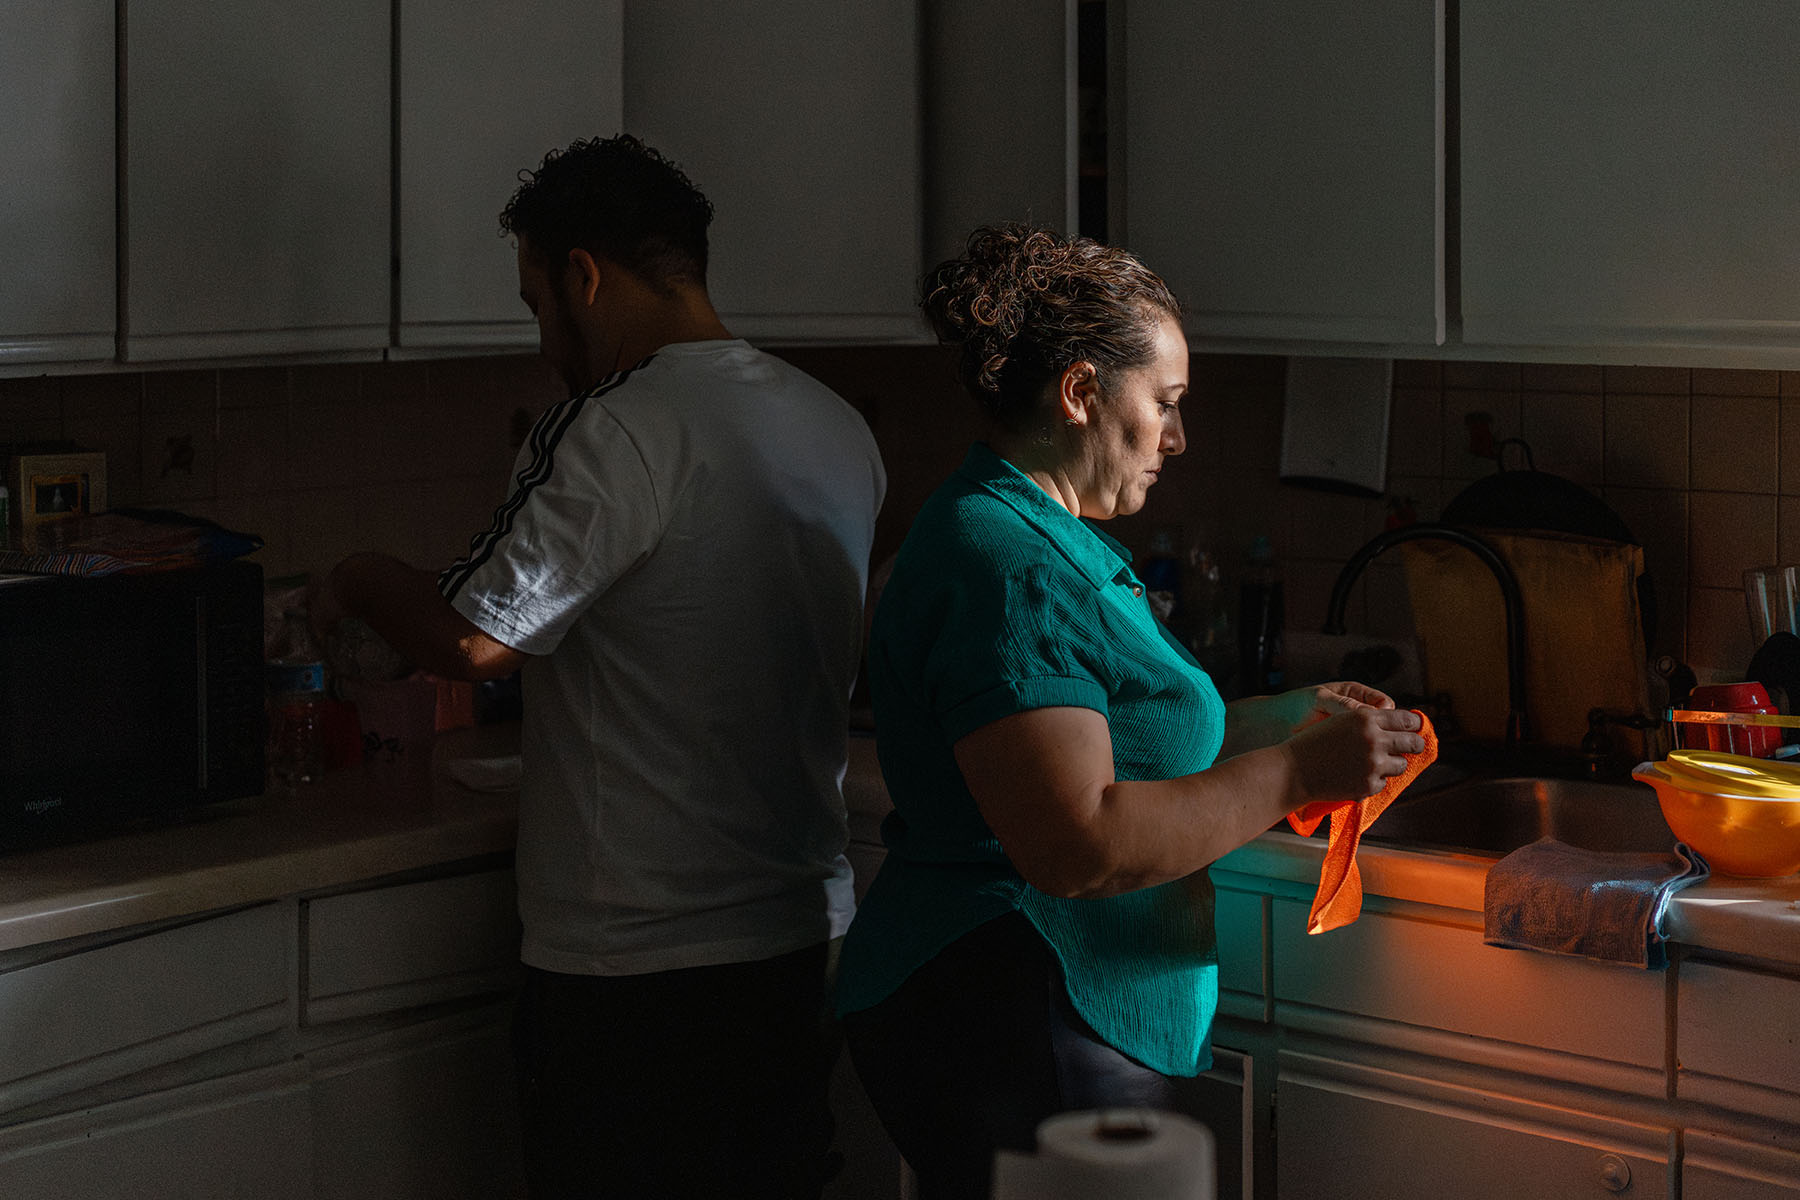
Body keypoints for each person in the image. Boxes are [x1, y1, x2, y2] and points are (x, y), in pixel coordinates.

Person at [310, 134, 886, 1199]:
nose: (544, 341)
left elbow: (476, 637)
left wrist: (355, 578)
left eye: (537, 303)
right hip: (807, 941)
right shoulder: (836, 425)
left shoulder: (618, 427)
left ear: (585, 274)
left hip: (639, 971)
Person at [836, 224, 1424, 1200]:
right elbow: (1080, 841)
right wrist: (1297, 774)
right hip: (1020, 1004)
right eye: (1167, 403)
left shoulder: (1033, 532)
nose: (1179, 438)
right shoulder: (1012, 569)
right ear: (1079, 393)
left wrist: (1287, 719)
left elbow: (1117, 749)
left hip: (1037, 1002)